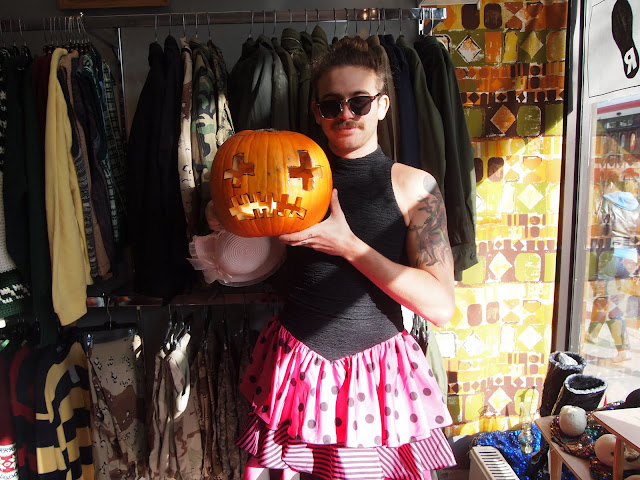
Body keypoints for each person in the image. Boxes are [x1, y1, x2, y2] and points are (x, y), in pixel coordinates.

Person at [207, 36, 456, 480]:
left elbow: (440, 306)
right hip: (295, 368)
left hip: (375, 377)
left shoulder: (415, 187)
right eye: (331, 104)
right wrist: (227, 220)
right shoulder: (285, 177)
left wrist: (350, 246)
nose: (345, 114)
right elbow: (246, 254)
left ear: (382, 106)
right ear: (317, 112)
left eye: (359, 102)